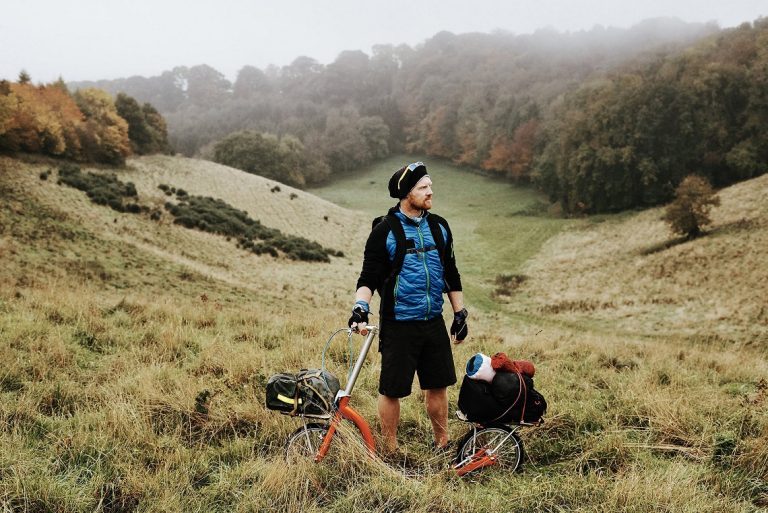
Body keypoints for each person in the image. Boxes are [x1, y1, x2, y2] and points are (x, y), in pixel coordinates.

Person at [348, 161, 468, 453]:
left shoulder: (439, 227)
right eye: (422, 187)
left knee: (438, 385)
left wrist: (459, 313)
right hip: (398, 323)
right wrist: (360, 308)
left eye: (430, 185)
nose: (430, 191)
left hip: (432, 321)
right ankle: (390, 448)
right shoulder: (385, 231)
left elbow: (450, 272)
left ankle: (442, 443)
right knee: (392, 390)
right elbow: (368, 277)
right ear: (406, 193)